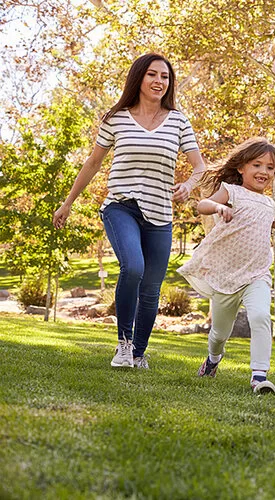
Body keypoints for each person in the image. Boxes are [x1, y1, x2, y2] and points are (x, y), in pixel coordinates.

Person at [53, 53, 206, 369]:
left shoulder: (179, 121)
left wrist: (189, 186)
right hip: (121, 206)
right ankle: (123, 345)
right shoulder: (117, 118)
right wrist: (68, 203)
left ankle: (138, 353)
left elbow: (199, 166)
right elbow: (93, 163)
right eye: (152, 74)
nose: (159, 81)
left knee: (151, 289)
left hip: (161, 212)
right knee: (133, 267)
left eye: (164, 77)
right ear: (138, 78)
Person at [178, 138, 275, 394]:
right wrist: (219, 206)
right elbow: (203, 204)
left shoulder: (268, 203)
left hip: (256, 274)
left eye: (270, 168)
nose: (264, 172)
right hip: (226, 275)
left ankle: (259, 375)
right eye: (257, 165)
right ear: (242, 168)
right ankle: (213, 359)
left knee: (260, 317)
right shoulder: (231, 191)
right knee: (220, 334)